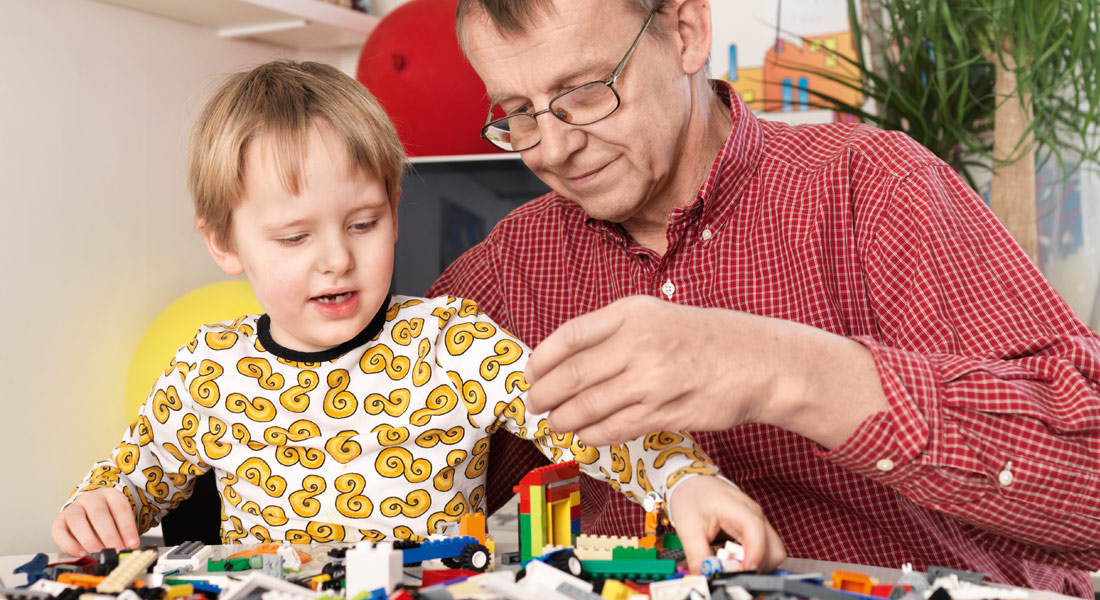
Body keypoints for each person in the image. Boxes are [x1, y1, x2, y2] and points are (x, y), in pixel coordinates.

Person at [428, 0, 1100, 596]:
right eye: (518, 112)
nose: (556, 146)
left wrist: (783, 369)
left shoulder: (875, 189)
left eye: (585, 91)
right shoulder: (508, 270)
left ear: (686, 32)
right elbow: (373, 461)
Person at [50, 60, 780, 573]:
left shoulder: (449, 341)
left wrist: (686, 482)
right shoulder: (206, 370)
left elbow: (590, 421)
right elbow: (130, 478)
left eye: (363, 224)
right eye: (295, 238)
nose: (335, 260)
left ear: (397, 213)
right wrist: (97, 506)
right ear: (224, 243)